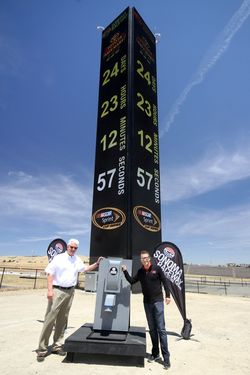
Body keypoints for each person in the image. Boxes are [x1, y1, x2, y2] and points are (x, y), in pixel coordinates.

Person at [36, 238, 103, 362]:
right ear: (67, 246)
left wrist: (97, 264)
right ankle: (42, 349)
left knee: (63, 319)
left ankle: (57, 345)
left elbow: (85, 269)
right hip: (58, 291)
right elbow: (50, 273)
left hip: (70, 291)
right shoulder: (59, 258)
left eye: (75, 248)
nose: (73, 249)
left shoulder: (76, 259)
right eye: (71, 247)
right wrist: (50, 290)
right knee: (50, 319)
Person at [122, 250, 171, 370]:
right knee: (152, 330)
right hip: (147, 303)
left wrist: (168, 295)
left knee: (161, 329)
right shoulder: (140, 271)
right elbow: (132, 281)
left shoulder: (157, 269)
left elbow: (165, 281)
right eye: (142, 258)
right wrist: (125, 271)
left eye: (146, 257)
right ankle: (155, 353)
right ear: (141, 260)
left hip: (158, 302)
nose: (144, 259)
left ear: (149, 258)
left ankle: (166, 358)